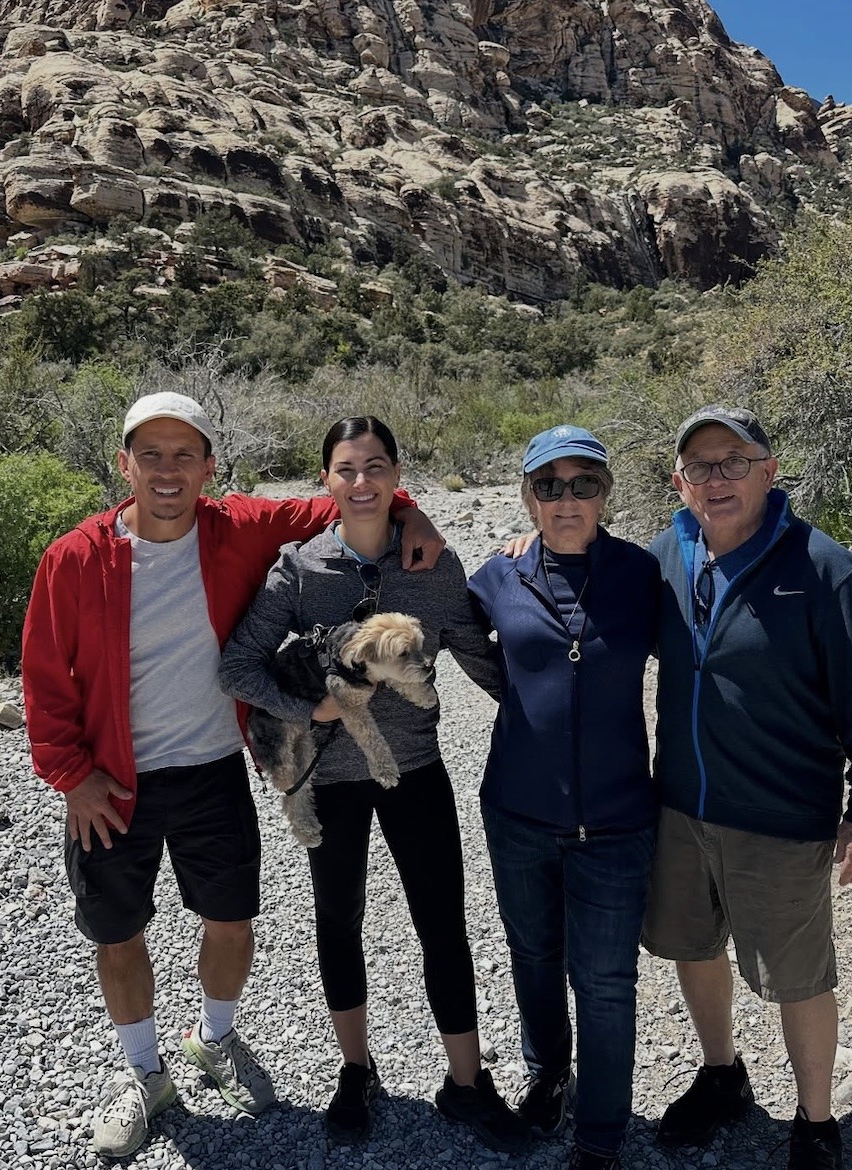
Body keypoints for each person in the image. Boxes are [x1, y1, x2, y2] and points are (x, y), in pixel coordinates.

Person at [20, 392, 444, 1160]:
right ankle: (144, 1073)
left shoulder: (241, 528)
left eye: (185, 454)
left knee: (230, 921)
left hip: (214, 769)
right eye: (150, 454)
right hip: (114, 780)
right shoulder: (75, 559)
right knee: (120, 933)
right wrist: (71, 777)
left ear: (210, 467)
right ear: (124, 465)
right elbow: (44, 678)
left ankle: (214, 1040)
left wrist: (412, 512)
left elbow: (350, 490)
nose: (168, 470)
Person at [219, 416, 529, 1153]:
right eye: (346, 470)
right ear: (325, 480)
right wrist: (311, 708)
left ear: (397, 476)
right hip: (331, 779)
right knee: (339, 923)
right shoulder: (299, 571)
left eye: (376, 467)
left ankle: (465, 1083)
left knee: (442, 926)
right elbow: (238, 666)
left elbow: (485, 663)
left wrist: (552, 713)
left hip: (416, 773)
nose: (362, 483)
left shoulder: (434, 568)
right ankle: (356, 1071)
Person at [643, 404, 852, 1170]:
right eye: (700, 466)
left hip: (783, 815)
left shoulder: (824, 568)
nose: (716, 478)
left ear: (769, 469)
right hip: (683, 806)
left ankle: (816, 1122)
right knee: (692, 947)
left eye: (733, 461)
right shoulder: (667, 554)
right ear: (679, 480)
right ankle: (723, 1076)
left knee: (798, 975)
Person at [467, 425, 660, 1170]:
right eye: (549, 486)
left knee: (606, 981)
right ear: (528, 497)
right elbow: (444, 618)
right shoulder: (498, 575)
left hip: (615, 820)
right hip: (517, 813)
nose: (567, 498)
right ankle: (548, 1078)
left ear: (607, 492)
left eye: (584, 483)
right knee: (534, 954)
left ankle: (601, 1132)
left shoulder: (644, 575)